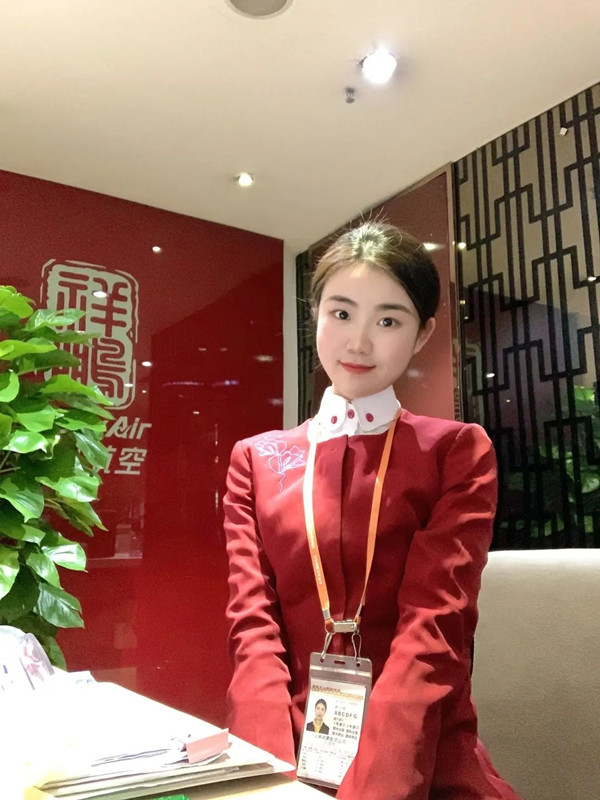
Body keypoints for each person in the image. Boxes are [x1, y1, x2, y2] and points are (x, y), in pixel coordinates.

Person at [223, 221, 521, 799]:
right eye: (341, 313)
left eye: (388, 320)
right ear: (315, 315)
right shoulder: (255, 460)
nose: (359, 342)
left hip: (422, 760)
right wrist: (267, 778)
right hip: (287, 753)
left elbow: (433, 632)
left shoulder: (455, 451)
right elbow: (252, 629)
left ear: (423, 332)